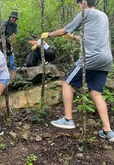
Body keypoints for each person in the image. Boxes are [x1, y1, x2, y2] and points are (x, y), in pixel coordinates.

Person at [41, 0, 114, 141]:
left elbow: (64, 30)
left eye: (79, 4)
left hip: (90, 58)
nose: (79, 7)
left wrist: (48, 35)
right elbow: (89, 37)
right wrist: (73, 37)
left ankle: (68, 119)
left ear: (84, 3)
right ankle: (108, 131)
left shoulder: (85, 13)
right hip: (106, 60)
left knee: (67, 83)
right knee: (96, 93)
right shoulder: (103, 15)